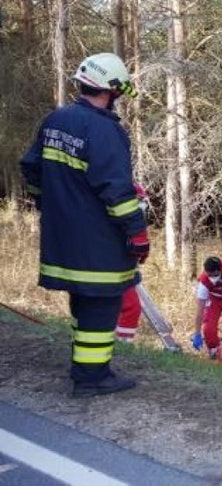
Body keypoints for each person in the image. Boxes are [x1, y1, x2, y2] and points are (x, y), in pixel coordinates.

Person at [20, 52, 146, 398]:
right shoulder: (105, 131)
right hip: (98, 242)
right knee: (103, 303)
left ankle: (84, 367)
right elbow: (116, 191)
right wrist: (137, 232)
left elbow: (31, 169)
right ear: (112, 90)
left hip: (62, 237)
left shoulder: (55, 121)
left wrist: (48, 201)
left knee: (82, 302)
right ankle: (92, 377)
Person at [115, 183, 150, 343]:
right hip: (114, 273)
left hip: (124, 271)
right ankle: (122, 344)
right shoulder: (119, 221)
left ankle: (117, 342)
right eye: (139, 200)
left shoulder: (131, 223)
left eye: (143, 200)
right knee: (131, 307)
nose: (142, 204)